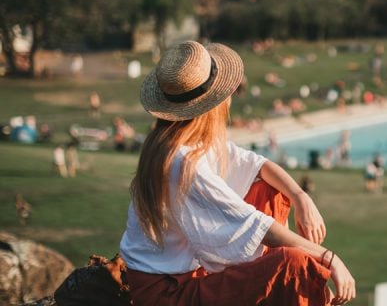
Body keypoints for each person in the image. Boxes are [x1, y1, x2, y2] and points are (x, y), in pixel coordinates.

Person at [119, 41, 355, 306]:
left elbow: (258, 165)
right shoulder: (182, 163)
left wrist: (300, 196)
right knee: (293, 264)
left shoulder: (180, 140)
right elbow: (257, 226)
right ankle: (303, 290)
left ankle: (300, 287)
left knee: (269, 190)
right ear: (213, 104)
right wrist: (328, 259)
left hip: (175, 276)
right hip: (168, 294)